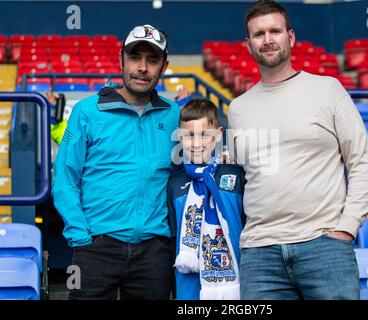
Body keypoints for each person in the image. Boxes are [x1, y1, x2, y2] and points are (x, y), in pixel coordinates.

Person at [227, 0, 368, 300]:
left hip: (323, 246)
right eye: (259, 34)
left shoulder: (328, 89)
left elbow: (361, 163)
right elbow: (245, 175)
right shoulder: (237, 109)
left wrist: (347, 228)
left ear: (290, 38)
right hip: (260, 253)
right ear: (248, 45)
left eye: (275, 31)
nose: (268, 40)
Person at [53, 24, 180, 300]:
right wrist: (80, 236)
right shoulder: (87, 111)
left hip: (154, 251)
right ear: (121, 58)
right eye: (135, 58)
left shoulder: (174, 115)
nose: (143, 68)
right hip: (95, 248)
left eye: (153, 60)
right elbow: (65, 177)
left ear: (164, 66)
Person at [167, 98, 245, 300]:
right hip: (188, 284)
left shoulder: (236, 175)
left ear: (218, 134)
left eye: (204, 135)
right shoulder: (175, 182)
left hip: (235, 280)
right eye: (188, 135)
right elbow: (172, 236)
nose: (196, 143)